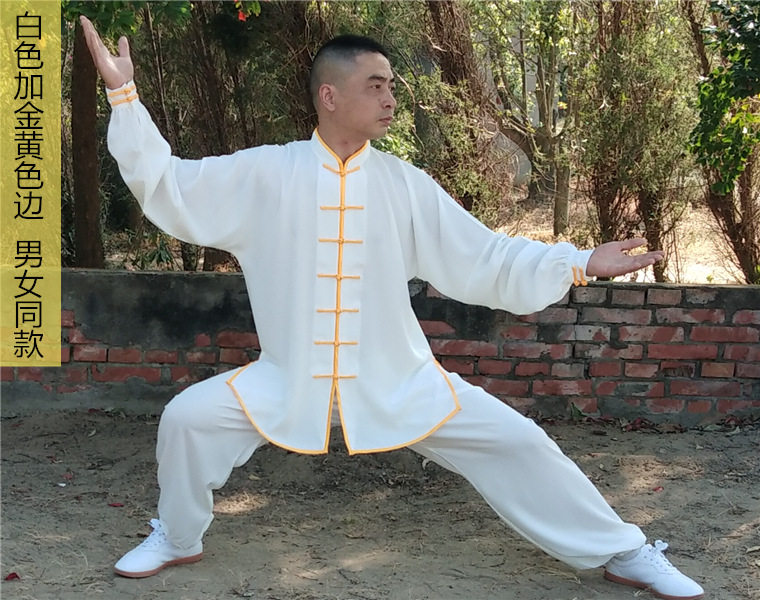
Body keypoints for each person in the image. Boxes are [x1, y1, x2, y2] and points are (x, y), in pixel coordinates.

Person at [80, 15, 703, 600]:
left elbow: (483, 255)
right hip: (286, 380)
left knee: (519, 442)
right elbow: (171, 185)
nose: (390, 99)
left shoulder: (404, 185)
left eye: (392, 86)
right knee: (188, 420)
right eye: (375, 85)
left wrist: (577, 262)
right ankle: (178, 536)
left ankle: (624, 550)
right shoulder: (266, 174)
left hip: (401, 380)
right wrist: (124, 97)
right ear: (329, 96)